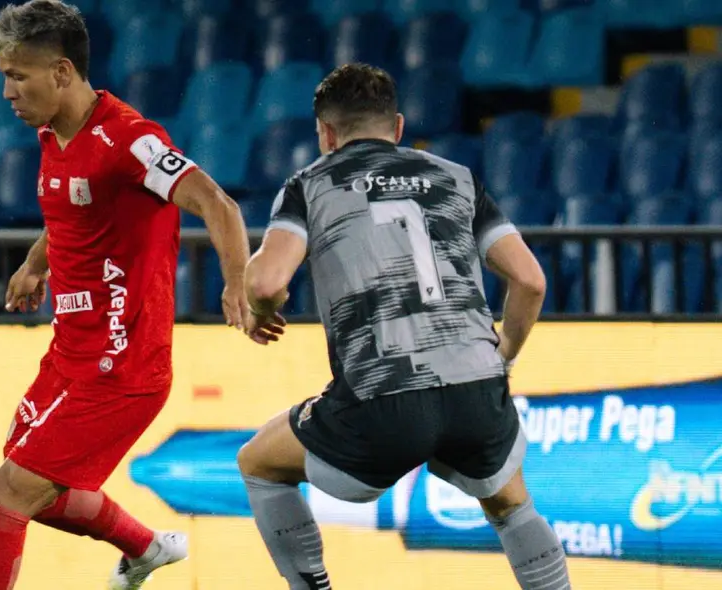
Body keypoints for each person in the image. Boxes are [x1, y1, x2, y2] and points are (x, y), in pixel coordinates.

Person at [0, 2, 268, 589]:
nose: (6, 93)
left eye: (17, 75)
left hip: (122, 366)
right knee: (38, 488)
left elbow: (217, 204)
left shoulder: (130, 140)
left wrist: (237, 283)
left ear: (62, 72)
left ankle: (143, 547)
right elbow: (73, 209)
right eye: (4, 76)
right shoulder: (53, 133)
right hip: (71, 354)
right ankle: (146, 548)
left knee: (5, 497)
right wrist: (33, 265)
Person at [235, 63, 570, 590]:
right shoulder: (457, 177)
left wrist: (258, 311)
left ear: (325, 134)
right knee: (510, 501)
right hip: (475, 387)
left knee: (258, 462)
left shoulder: (311, 185)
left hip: (383, 395)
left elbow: (266, 284)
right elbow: (530, 281)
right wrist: (503, 355)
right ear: (397, 127)